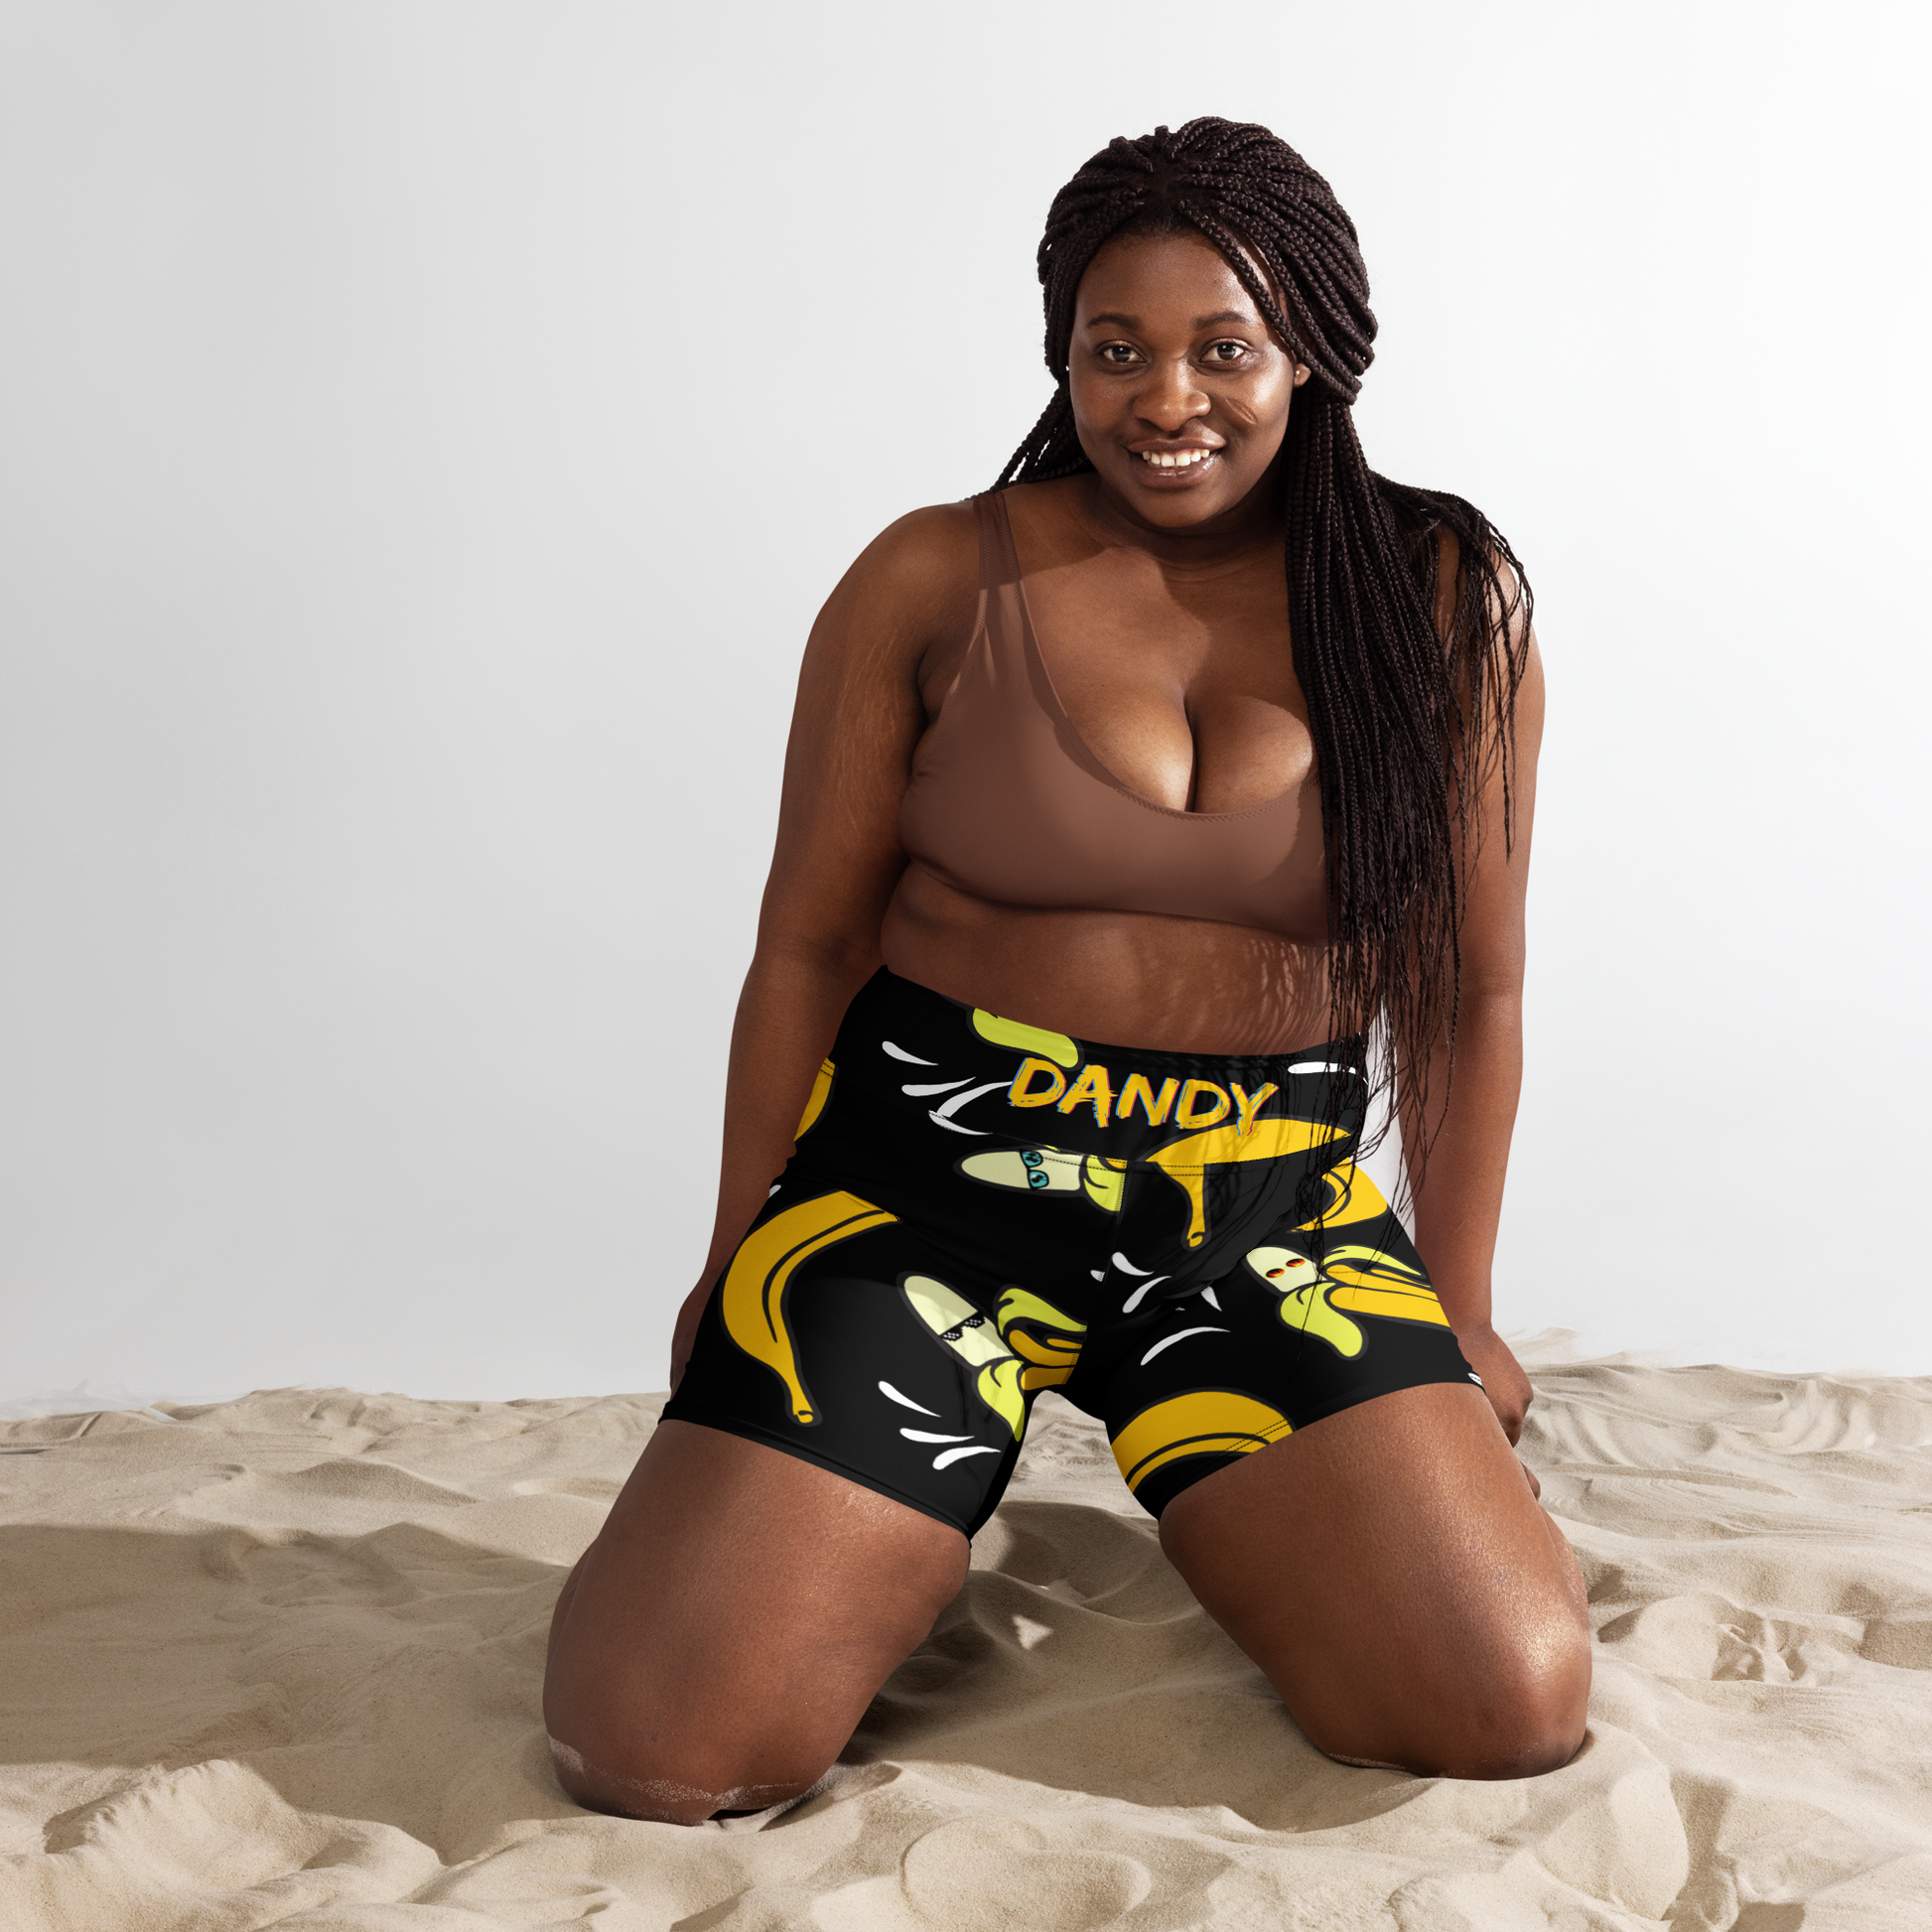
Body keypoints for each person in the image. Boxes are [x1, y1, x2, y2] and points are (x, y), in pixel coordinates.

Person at [542, 117, 1589, 1822]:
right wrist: (735, 1255)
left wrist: (1461, 1305)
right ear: (1063, 358)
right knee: (659, 1749)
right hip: (921, 1197)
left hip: (1260, 1213)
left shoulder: (1437, 597)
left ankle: (1306, 1484)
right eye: (1116, 350)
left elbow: (1470, 986)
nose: (1166, 398)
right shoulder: (933, 574)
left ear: (1311, 350)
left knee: (1498, 1709)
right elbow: (806, 946)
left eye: (1222, 348)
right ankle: (882, 1511)